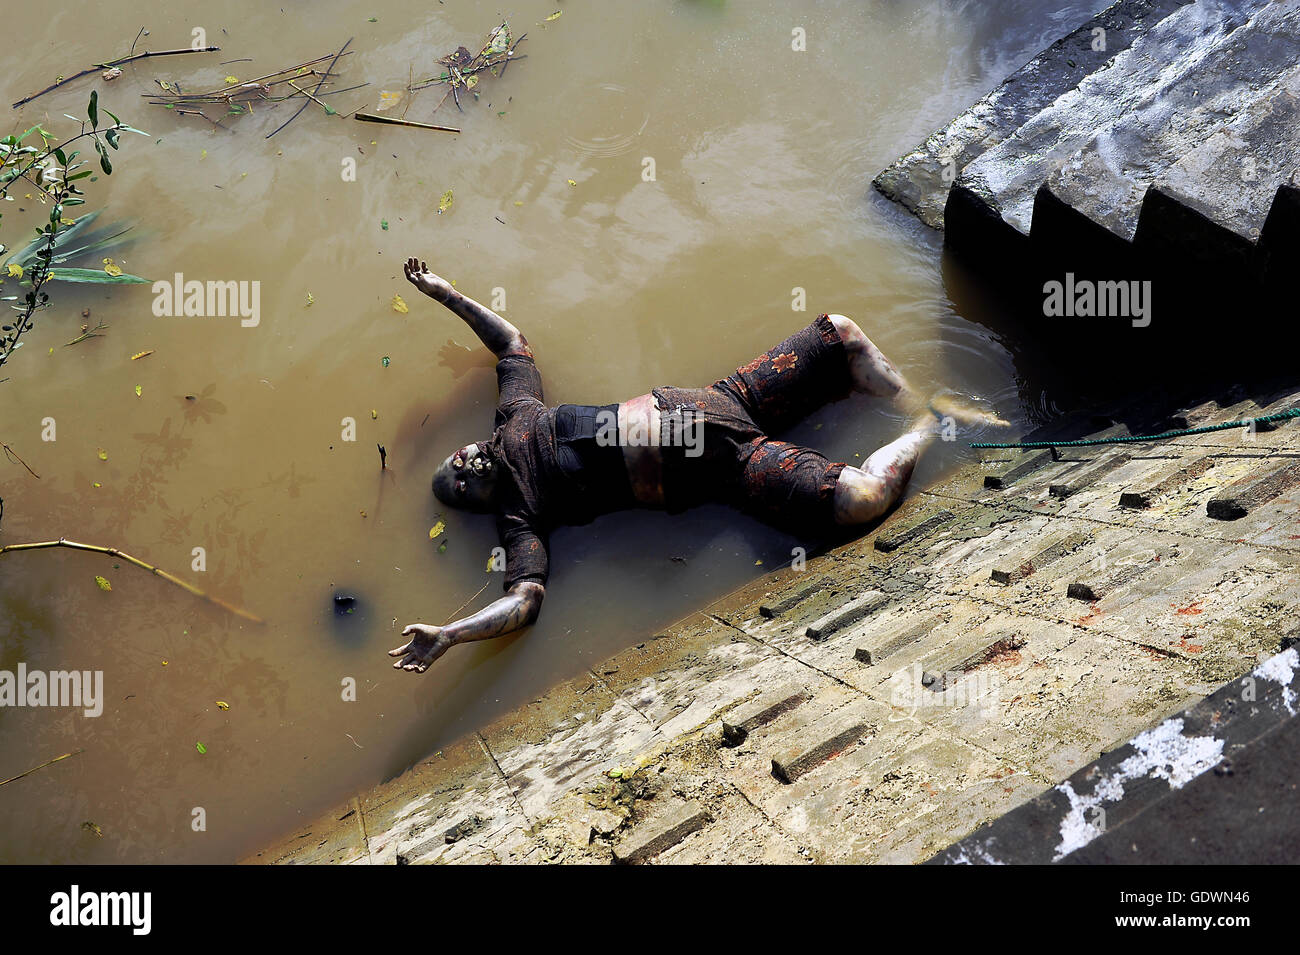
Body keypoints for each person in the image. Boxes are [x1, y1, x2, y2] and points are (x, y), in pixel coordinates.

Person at [389, 257, 1005, 672]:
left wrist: (448, 295)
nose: (467, 459)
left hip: (722, 400)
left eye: (456, 456)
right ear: (478, 499)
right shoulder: (521, 515)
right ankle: (936, 421)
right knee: (863, 500)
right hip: (730, 468)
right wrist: (452, 634)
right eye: (462, 478)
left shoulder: (515, 416)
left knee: (840, 333)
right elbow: (525, 603)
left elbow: (511, 344)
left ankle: (915, 400)